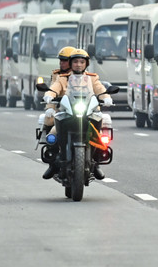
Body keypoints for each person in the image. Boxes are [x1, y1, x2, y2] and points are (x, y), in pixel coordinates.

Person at [40, 49, 113, 180]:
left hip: (89, 112)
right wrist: (49, 96)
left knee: (100, 135)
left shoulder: (92, 77)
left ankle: (95, 163)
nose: (78, 65)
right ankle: (54, 164)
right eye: (75, 62)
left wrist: (106, 97)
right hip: (68, 111)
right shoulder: (63, 78)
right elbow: (54, 88)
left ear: (86, 64)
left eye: (81, 62)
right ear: (71, 63)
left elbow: (100, 89)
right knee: (53, 135)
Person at [35, 46, 76, 143]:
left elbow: (94, 89)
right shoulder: (57, 75)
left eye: (65, 60)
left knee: (99, 121)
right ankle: (51, 144)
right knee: (50, 120)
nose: (62, 63)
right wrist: (50, 106)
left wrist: (103, 99)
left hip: (80, 108)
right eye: (61, 60)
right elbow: (53, 89)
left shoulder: (85, 75)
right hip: (62, 107)